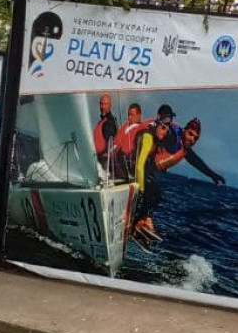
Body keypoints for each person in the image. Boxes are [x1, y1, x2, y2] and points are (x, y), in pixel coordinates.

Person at [132, 111, 222, 239]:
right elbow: (161, 131)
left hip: (152, 173)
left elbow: (197, 162)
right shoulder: (173, 136)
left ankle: (143, 220)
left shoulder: (185, 149)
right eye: (190, 134)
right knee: (154, 184)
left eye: (195, 138)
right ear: (184, 130)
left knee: (157, 194)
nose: (192, 139)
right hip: (143, 165)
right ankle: (142, 220)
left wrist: (213, 175)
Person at [92, 93, 118, 169]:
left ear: (110, 105)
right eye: (101, 104)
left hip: (105, 160)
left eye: (104, 104)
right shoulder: (101, 122)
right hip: (98, 158)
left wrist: (107, 154)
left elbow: (111, 141)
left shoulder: (110, 122)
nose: (102, 107)